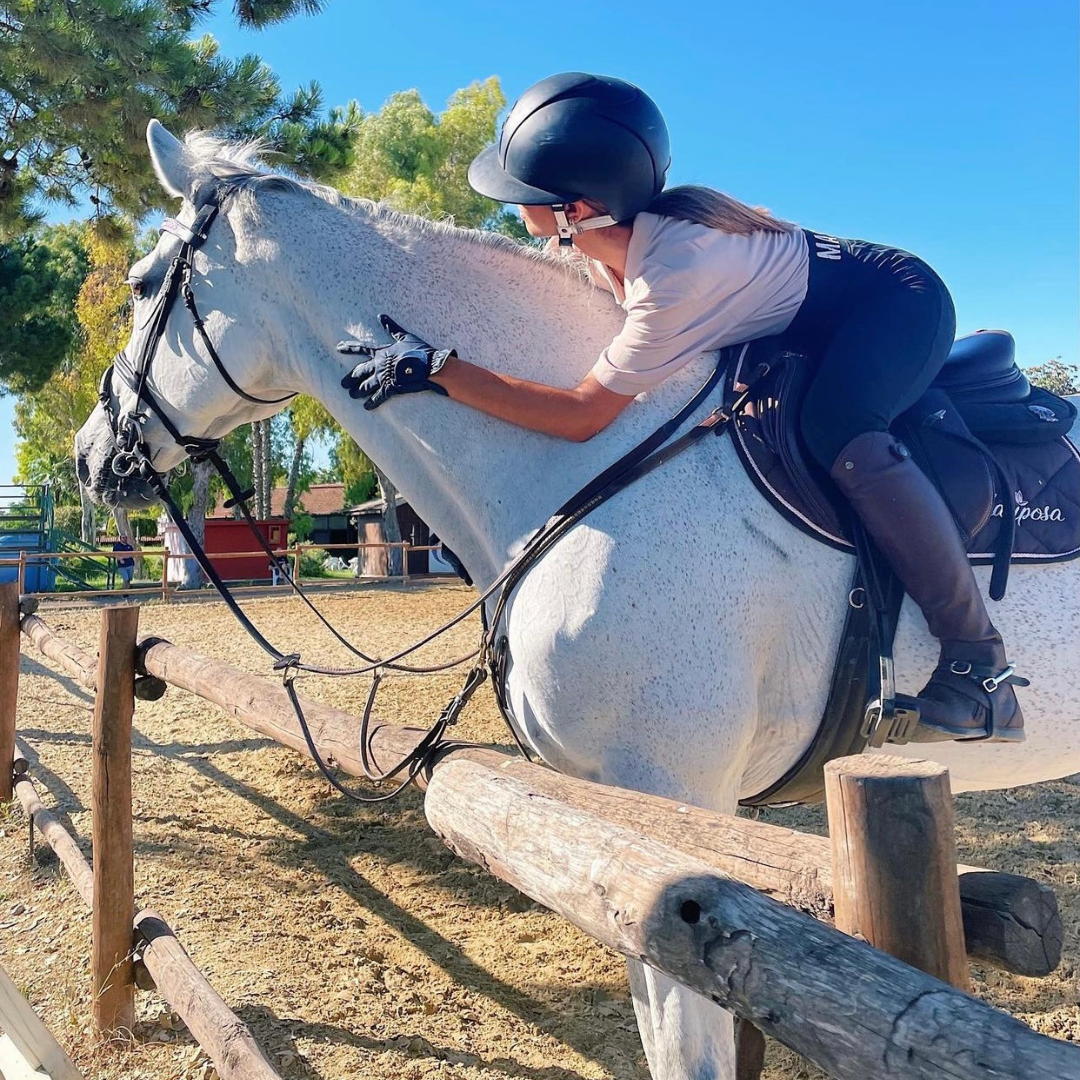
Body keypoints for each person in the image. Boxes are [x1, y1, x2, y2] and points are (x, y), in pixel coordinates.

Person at [340, 72, 1025, 743]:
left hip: (898, 304)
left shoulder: (675, 273)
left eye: (525, 193)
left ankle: (979, 662)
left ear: (575, 210)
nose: (511, 203)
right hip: (821, 309)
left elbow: (583, 416)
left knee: (837, 429)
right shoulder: (608, 243)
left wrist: (443, 372)